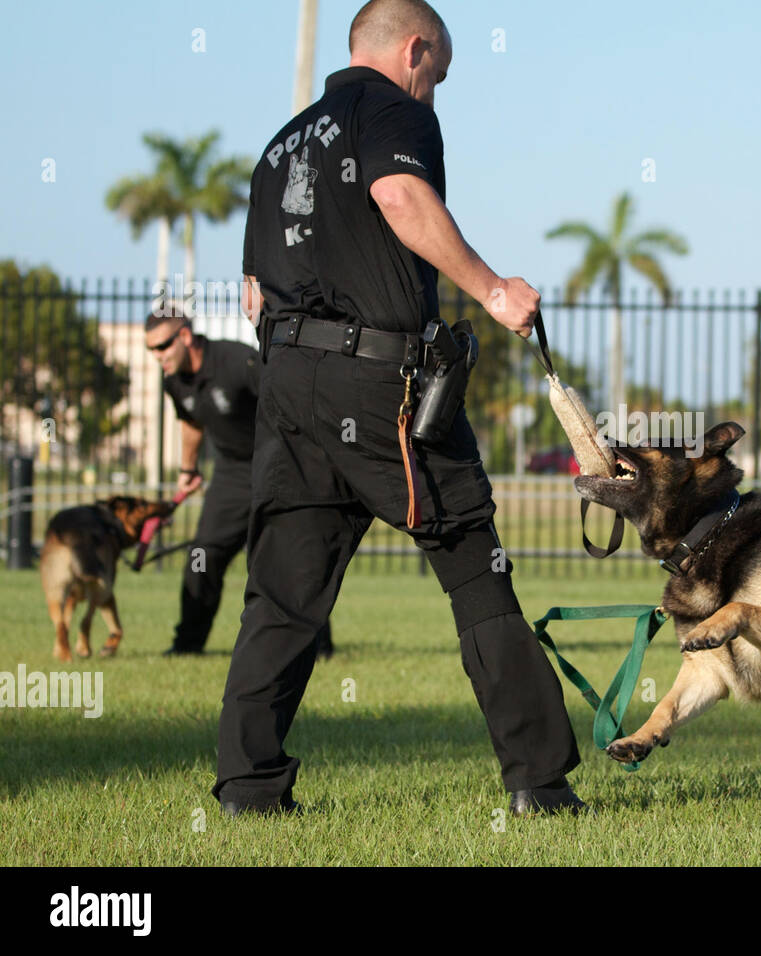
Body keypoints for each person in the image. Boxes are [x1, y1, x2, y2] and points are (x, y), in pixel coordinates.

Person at [214, 0, 584, 817]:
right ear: (415, 50)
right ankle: (538, 782)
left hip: (288, 384)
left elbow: (250, 294)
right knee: (473, 567)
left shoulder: (281, 145)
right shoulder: (389, 109)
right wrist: (491, 289)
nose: (434, 95)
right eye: (437, 76)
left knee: (282, 595)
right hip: (382, 387)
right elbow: (399, 197)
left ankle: (248, 790)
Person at [145, 311, 334, 658]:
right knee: (202, 556)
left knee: (291, 558)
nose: (158, 357)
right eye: (151, 351)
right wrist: (188, 467)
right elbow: (191, 422)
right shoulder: (173, 380)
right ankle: (187, 645)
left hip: (277, 464)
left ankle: (317, 646)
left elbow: (285, 398)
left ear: (185, 337)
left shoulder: (236, 361)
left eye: (162, 347)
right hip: (231, 474)